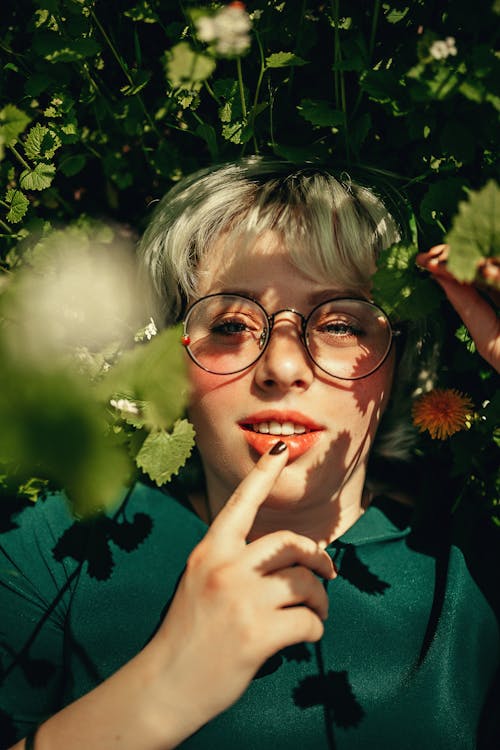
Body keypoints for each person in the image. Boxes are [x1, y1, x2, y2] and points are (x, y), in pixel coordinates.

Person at [0, 159, 498, 750]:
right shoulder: (55, 550)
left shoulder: (475, 571)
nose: (282, 368)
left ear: (398, 359)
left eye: (339, 324)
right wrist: (160, 694)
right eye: (232, 324)